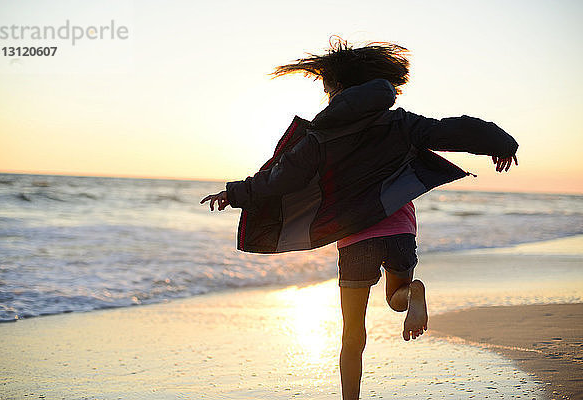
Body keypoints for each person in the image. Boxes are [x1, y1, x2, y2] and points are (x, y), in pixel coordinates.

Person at [200, 39, 518, 400]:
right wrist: (501, 143)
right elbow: (454, 129)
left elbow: (281, 178)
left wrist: (235, 194)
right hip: (400, 230)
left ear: (338, 90)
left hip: (354, 239)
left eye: (327, 89)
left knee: (352, 333)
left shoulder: (321, 136)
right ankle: (414, 292)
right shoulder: (401, 122)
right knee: (397, 297)